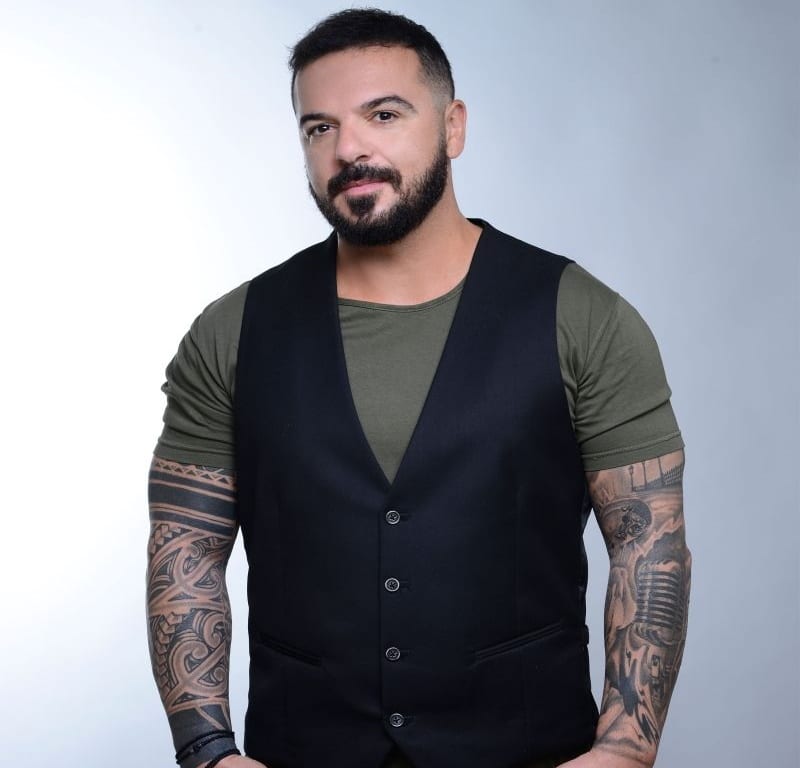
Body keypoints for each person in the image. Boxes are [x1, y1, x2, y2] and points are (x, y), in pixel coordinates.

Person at [146, 9, 690, 768]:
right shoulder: (232, 330)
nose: (349, 149)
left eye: (383, 115)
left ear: (453, 125)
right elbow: (187, 551)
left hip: (529, 750)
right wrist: (208, 751)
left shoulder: (583, 318)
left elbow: (647, 544)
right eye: (320, 127)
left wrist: (624, 751)